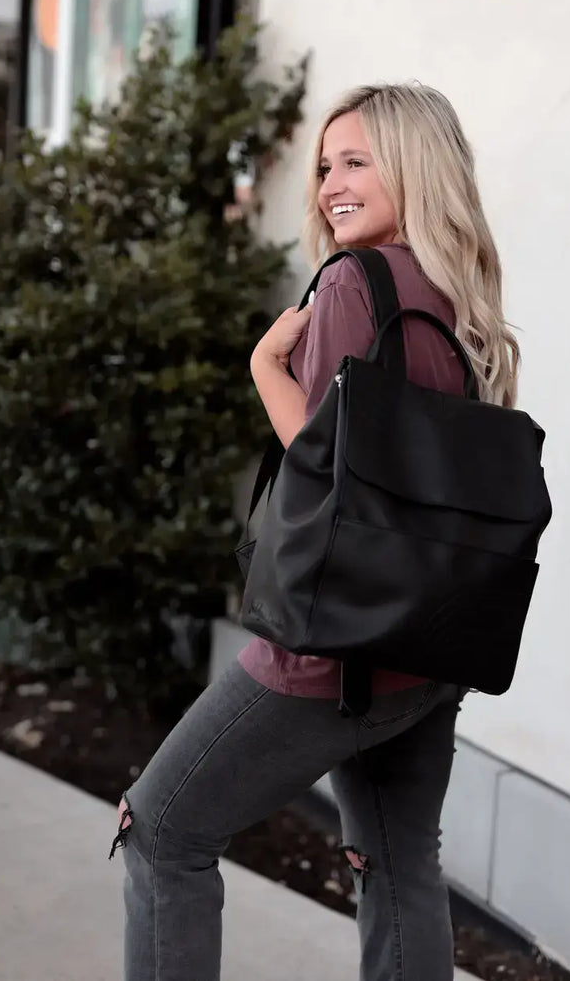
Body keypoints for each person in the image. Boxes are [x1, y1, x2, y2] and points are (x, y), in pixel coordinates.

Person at [112, 83, 520, 981]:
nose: (331, 184)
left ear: (414, 168)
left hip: (335, 648)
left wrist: (267, 364)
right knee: (399, 867)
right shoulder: (459, 297)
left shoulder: (353, 282)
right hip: (430, 645)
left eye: (356, 162)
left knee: (162, 830)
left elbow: (329, 473)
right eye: (326, 165)